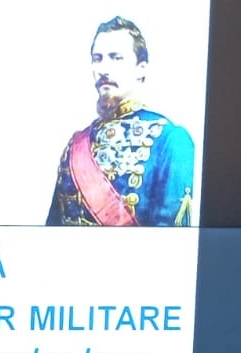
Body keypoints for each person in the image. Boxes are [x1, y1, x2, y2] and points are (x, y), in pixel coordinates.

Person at [46, 16, 195, 227]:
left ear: (141, 68)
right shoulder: (75, 146)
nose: (103, 69)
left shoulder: (170, 140)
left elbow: (169, 237)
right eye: (97, 58)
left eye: (116, 58)